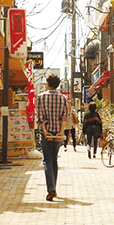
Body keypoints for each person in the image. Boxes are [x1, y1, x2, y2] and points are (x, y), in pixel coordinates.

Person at [35, 73, 70, 201]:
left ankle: (51, 189)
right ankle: (53, 187)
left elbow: (40, 117)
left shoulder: (40, 97)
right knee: (54, 160)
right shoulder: (63, 98)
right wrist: (61, 132)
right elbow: (64, 117)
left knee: (47, 160)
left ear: (48, 83)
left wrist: (44, 131)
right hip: (58, 133)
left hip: (47, 132)